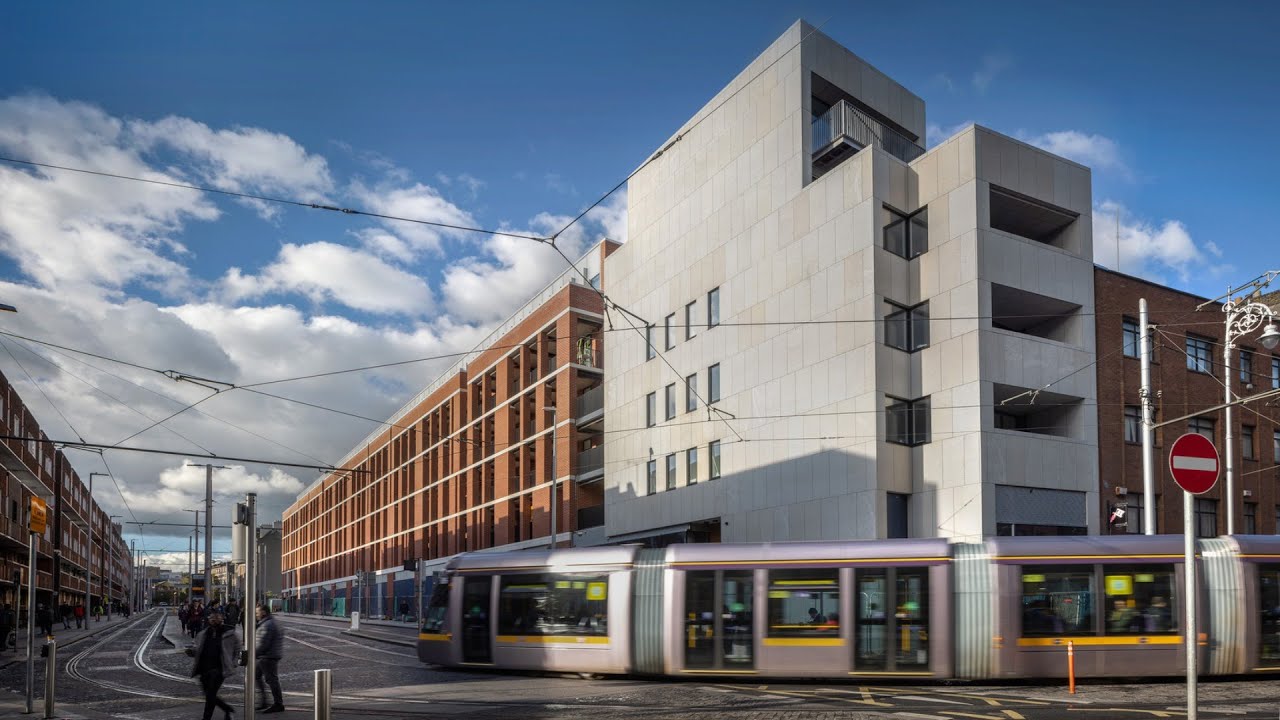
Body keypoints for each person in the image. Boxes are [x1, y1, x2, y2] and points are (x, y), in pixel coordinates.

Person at [189, 611, 238, 720]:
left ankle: (207, 718)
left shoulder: (229, 633)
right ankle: (227, 709)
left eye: (217, 618)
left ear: (222, 619)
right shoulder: (203, 633)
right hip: (203, 668)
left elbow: (237, 648)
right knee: (209, 695)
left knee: (210, 694)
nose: (214, 620)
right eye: (212, 618)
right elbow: (196, 647)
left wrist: (234, 662)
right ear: (208, 620)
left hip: (219, 669)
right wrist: (192, 651)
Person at [255, 604, 285, 714]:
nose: (256, 615)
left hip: (268, 657)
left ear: (263, 612)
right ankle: (264, 701)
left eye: (257, 612)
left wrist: (252, 654)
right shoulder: (271, 622)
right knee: (256, 675)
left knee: (272, 680)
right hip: (268, 656)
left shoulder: (267, 625)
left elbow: (263, 644)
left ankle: (278, 704)